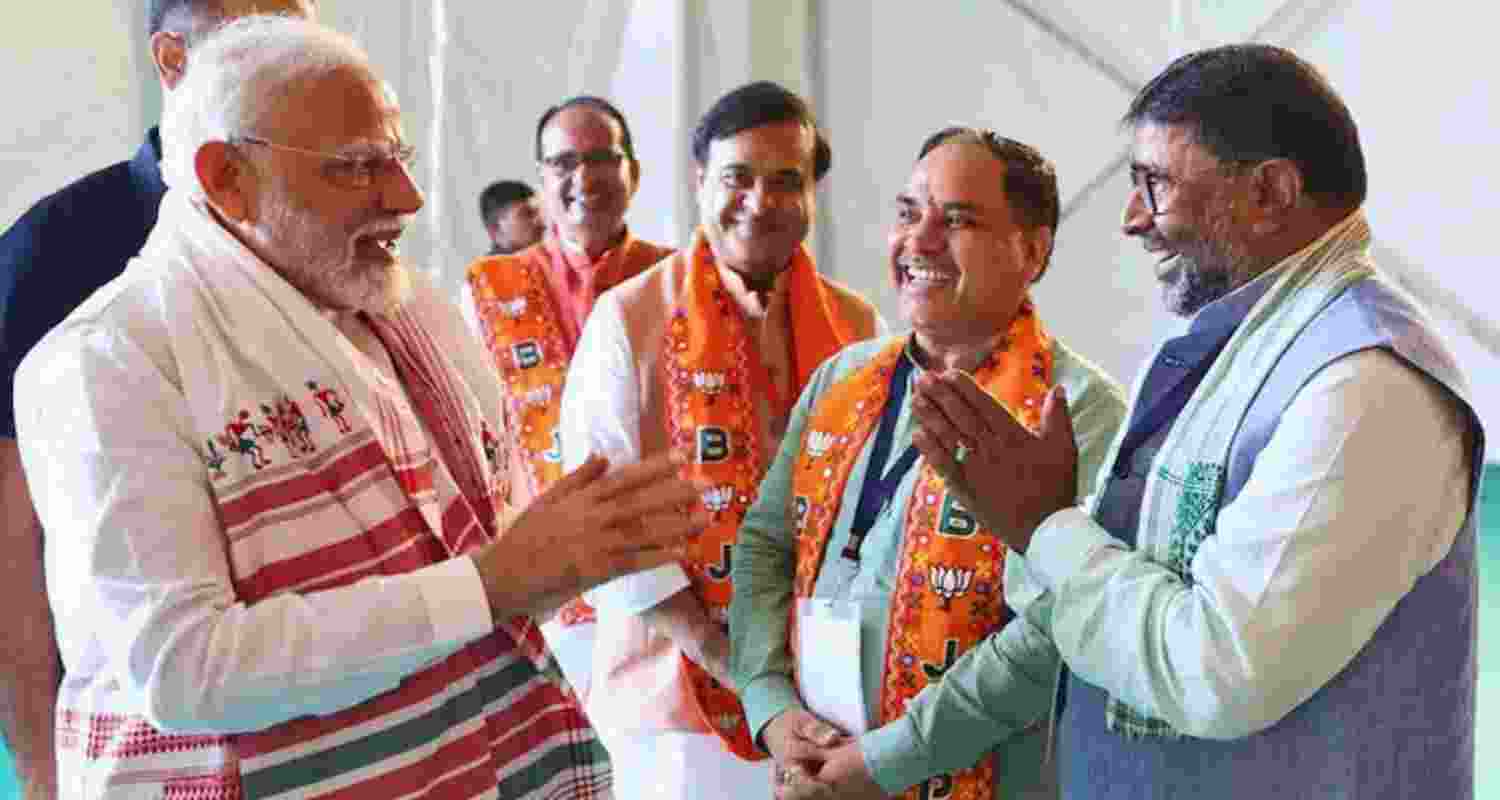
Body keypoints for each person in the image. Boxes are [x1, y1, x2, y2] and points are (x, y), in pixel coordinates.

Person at [13, 16, 708, 799]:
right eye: (357, 166)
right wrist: (494, 582)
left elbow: (486, 558)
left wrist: (568, 556)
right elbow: (185, 668)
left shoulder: (411, 311)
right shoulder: (108, 359)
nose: (407, 197)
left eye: (399, 158)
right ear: (228, 178)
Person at [825, 44, 1480, 799]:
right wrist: (1045, 532)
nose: (1132, 219)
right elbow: (1083, 611)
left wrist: (1044, 527)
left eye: (1155, 183)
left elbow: (1221, 672)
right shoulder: (1223, 351)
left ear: (1270, 192)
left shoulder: (1368, 385)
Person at [728, 128, 1127, 800]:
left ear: (1031, 251)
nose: (920, 240)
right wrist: (770, 706)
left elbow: (1052, 631)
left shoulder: (1080, 411)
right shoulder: (841, 379)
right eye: (909, 213)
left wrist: (887, 760)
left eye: (958, 220)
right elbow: (765, 545)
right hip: (811, 767)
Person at [0, 2, 315, 797]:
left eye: (305, 41)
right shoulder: (61, 247)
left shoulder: (316, 228)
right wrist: (40, 766)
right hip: (141, 736)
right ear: (173, 60)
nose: (297, 68)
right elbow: (10, 532)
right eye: (259, 42)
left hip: (323, 702)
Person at [560, 81, 882, 798]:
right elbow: (603, 519)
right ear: (700, 180)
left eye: (786, 181)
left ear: (813, 192)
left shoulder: (858, 327)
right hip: (674, 701)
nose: (759, 202)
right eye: (738, 177)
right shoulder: (629, 319)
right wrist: (732, 661)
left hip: (826, 696)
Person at [463, 97, 674, 701]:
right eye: (563, 163)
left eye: (602, 158)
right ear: (542, 178)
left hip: (668, 587)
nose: (584, 177)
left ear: (633, 171)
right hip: (547, 593)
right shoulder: (486, 289)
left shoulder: (678, 279)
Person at [477, 179, 544, 255]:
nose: (539, 220)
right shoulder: (491, 263)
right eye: (527, 214)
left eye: (539, 212)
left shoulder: (547, 255)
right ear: (496, 230)